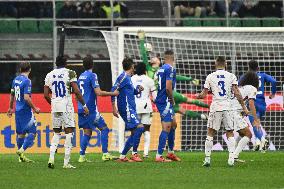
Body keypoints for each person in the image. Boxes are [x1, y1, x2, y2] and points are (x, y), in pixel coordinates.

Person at [137, 30, 209, 120]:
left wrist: (189, 79)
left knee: (183, 108)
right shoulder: (149, 69)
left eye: (155, 57)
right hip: (166, 95)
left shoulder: (162, 69)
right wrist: (141, 40)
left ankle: (204, 113)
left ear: (159, 61)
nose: (153, 57)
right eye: (152, 57)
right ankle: (206, 112)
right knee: (187, 105)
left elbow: (176, 77)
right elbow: (144, 55)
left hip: (163, 98)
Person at [196, 56, 248, 167]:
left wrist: (197, 96)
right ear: (226, 64)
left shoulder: (210, 76)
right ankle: (231, 159)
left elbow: (203, 95)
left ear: (215, 64)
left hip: (216, 107)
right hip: (228, 107)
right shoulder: (231, 76)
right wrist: (244, 107)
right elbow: (237, 93)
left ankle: (207, 159)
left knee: (210, 132)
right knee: (230, 132)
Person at [44, 56, 89, 169]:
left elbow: (45, 94)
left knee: (56, 133)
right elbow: (77, 91)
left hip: (55, 106)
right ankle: (66, 163)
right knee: (69, 133)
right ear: (66, 63)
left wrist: (53, 103)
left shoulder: (49, 75)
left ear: (56, 63)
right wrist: (84, 105)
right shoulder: (70, 73)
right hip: (66, 106)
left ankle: (51, 158)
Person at [77, 56, 119, 162]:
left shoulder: (81, 76)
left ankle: (81, 157)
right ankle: (105, 154)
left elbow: (77, 94)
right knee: (104, 128)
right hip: (90, 109)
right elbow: (98, 92)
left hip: (81, 108)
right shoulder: (92, 75)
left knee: (87, 132)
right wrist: (113, 93)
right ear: (93, 64)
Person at [111, 57, 145, 162]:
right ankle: (126, 155)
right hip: (126, 108)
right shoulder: (123, 77)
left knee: (136, 130)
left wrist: (138, 90)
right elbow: (113, 90)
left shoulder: (128, 78)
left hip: (130, 108)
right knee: (139, 128)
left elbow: (131, 91)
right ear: (131, 66)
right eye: (133, 66)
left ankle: (127, 155)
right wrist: (113, 107)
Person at [7, 62, 40, 163]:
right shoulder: (27, 81)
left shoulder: (15, 79)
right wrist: (34, 108)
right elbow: (26, 98)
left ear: (20, 69)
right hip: (26, 111)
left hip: (17, 110)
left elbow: (12, 95)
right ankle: (21, 151)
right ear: (30, 69)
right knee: (33, 132)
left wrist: (10, 107)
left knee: (21, 134)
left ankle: (21, 158)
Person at [245, 60, 277, 151]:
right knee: (257, 122)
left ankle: (262, 140)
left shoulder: (246, 76)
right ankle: (258, 143)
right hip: (262, 104)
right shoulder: (263, 75)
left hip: (253, 102)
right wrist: (273, 93)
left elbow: (238, 85)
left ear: (248, 68)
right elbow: (274, 81)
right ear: (258, 68)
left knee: (254, 123)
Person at [155, 50, 181, 162]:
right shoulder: (170, 69)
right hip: (165, 101)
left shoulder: (160, 69)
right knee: (167, 127)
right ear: (173, 58)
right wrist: (171, 98)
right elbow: (168, 87)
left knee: (174, 124)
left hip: (163, 100)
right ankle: (159, 155)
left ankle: (170, 153)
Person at [231, 71, 260, 162]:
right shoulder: (252, 88)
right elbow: (251, 104)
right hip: (234, 113)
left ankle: (232, 155)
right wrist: (256, 120)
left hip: (229, 111)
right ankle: (234, 156)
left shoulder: (241, 88)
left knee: (242, 133)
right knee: (248, 134)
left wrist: (244, 111)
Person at [131, 63, 157, 158]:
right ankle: (146, 153)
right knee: (146, 129)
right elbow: (155, 97)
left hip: (134, 107)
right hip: (146, 107)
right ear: (145, 70)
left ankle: (134, 152)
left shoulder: (131, 79)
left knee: (134, 130)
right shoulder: (149, 80)